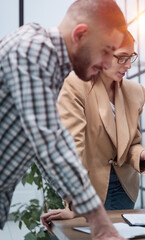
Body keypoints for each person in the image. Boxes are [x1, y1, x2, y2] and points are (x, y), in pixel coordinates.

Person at [0, 0, 129, 239]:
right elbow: (50, 140)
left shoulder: (51, 63)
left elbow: (36, 145)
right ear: (80, 34)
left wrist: (72, 199)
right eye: (106, 51)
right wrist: (100, 223)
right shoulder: (33, 49)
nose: (108, 63)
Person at [40, 31, 145, 227]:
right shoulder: (75, 85)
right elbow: (73, 149)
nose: (129, 66)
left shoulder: (136, 92)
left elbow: (130, 145)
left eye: (131, 57)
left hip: (124, 187)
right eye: (122, 58)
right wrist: (76, 205)